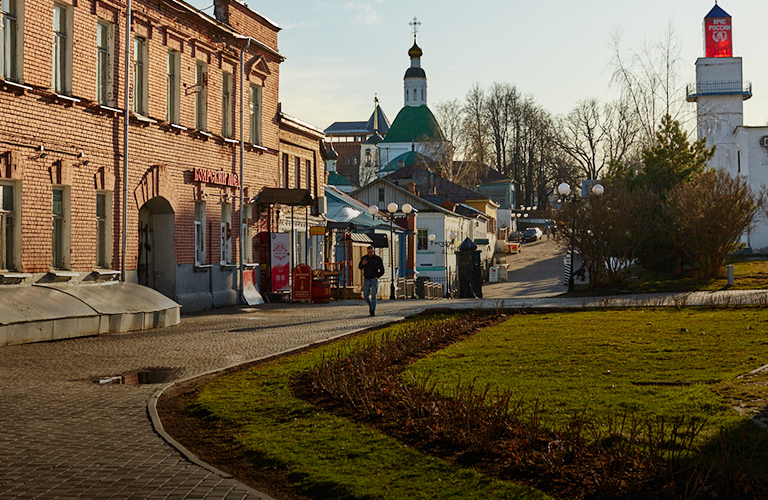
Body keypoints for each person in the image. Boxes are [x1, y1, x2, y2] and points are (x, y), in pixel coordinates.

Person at [358, 245, 385, 316]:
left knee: (374, 295)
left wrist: (377, 276)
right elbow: (360, 267)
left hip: (374, 279)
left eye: (371, 252)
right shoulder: (364, 258)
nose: (369, 253)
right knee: (365, 295)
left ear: (373, 251)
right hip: (367, 279)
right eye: (368, 252)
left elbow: (382, 270)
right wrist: (362, 264)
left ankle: (372, 310)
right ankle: (371, 306)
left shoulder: (377, 259)